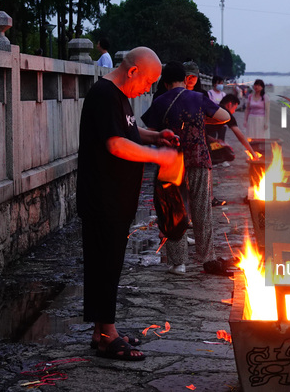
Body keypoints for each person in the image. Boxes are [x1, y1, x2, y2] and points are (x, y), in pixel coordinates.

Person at [77, 47, 179, 361]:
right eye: (148, 82)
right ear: (133, 71)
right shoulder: (104, 94)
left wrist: (154, 136)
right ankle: (108, 335)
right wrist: (158, 156)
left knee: (109, 264)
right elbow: (115, 143)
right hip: (102, 197)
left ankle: (102, 331)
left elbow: (130, 132)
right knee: (104, 266)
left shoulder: (121, 96)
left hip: (117, 198)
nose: (148, 89)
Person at [142, 61, 232, 276]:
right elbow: (225, 117)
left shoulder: (160, 101)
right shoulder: (198, 98)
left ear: (165, 82)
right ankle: (207, 258)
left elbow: (150, 131)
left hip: (171, 162)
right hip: (199, 160)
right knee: (202, 209)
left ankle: (178, 263)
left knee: (174, 211)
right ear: (185, 80)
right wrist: (202, 120)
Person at [206, 75, 228, 141]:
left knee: (221, 138)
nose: (221, 85)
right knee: (212, 138)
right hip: (212, 120)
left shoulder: (223, 95)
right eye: (219, 83)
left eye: (222, 83)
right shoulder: (209, 93)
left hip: (222, 120)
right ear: (214, 84)